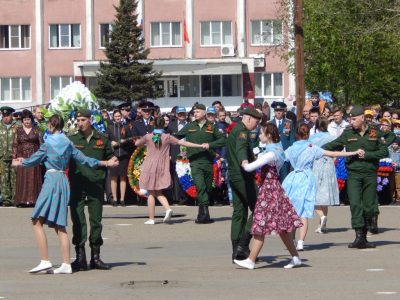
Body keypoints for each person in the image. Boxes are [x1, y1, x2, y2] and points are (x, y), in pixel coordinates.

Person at [12, 114, 118, 274]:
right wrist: (105, 162)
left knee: (36, 220)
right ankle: (66, 263)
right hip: (63, 180)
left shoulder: (48, 144)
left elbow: (33, 160)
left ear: (51, 126)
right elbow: (85, 159)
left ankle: (45, 260)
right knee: (60, 225)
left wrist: (20, 162)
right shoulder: (68, 143)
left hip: (51, 180)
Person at [322, 105, 395, 249]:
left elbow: (383, 152)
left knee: (369, 205)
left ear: (362, 118)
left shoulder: (375, 132)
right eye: (350, 118)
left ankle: (370, 225)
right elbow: (335, 144)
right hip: (354, 174)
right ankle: (359, 237)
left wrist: (367, 155)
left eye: (354, 118)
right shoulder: (348, 133)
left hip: (369, 173)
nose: (351, 121)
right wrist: (317, 148)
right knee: (355, 204)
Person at [233, 123, 303, 269]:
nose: (259, 135)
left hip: (269, 191)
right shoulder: (277, 148)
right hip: (275, 189)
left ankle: (251, 260)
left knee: (260, 224)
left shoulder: (271, 153)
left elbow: (249, 168)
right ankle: (295, 257)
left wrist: (243, 159)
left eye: (261, 133)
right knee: (282, 228)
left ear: (269, 135)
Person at [282, 123, 362, 251]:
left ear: (296, 134)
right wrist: (353, 152)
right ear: (307, 134)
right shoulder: (311, 148)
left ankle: (291, 240)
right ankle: (301, 241)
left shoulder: (291, 148)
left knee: (292, 210)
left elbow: (279, 159)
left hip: (292, 179)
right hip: (306, 178)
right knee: (303, 211)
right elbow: (333, 153)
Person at [68, 109, 117, 272]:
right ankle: (80, 257)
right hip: (77, 184)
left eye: (82, 120)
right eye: (78, 120)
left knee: (96, 221)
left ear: (90, 120)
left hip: (95, 184)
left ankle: (95, 257)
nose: (79, 123)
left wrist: (114, 160)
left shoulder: (102, 139)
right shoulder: (72, 139)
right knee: (78, 221)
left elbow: (111, 156)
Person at [135, 117, 207, 224]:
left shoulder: (148, 136)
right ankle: (168, 208)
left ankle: (151, 218)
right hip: (161, 166)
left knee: (150, 192)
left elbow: (137, 144)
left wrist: (143, 141)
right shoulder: (167, 137)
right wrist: (200, 145)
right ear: (164, 125)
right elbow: (184, 143)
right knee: (158, 191)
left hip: (149, 165)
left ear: (154, 124)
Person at [175, 103, 226, 224]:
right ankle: (205, 214)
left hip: (208, 162)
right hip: (195, 161)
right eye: (194, 112)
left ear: (204, 113)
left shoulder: (211, 126)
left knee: (208, 188)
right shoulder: (189, 126)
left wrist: (210, 145)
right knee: (200, 186)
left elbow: (223, 140)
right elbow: (176, 136)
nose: (195, 113)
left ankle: (201, 211)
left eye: (197, 111)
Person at [226, 107, 262, 261]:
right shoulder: (242, 131)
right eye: (256, 122)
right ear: (248, 119)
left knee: (239, 211)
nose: (256, 125)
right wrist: (245, 162)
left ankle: (237, 251)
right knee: (259, 208)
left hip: (234, 175)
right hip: (242, 176)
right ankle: (243, 244)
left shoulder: (235, 129)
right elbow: (241, 148)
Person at [309, 118, 338, 233]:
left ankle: (321, 217)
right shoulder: (331, 137)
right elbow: (337, 149)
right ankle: (323, 224)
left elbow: (309, 152)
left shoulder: (312, 138)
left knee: (314, 194)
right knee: (325, 195)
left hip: (317, 165)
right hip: (329, 165)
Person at [12, 110, 43, 207]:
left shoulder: (37, 130)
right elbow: (15, 145)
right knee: (23, 178)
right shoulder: (18, 130)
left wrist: (41, 158)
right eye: (25, 120)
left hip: (34, 158)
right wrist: (14, 158)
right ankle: (22, 201)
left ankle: (34, 200)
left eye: (28, 119)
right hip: (22, 158)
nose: (27, 121)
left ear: (31, 120)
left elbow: (42, 144)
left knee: (33, 178)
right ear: (22, 120)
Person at [106, 109, 133, 206]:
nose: (117, 118)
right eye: (116, 116)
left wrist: (124, 141)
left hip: (124, 155)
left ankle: (122, 199)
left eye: (119, 116)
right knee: (113, 178)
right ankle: (115, 199)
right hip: (114, 155)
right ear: (113, 117)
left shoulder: (125, 127)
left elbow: (131, 139)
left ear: (121, 117)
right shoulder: (109, 127)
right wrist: (111, 143)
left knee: (123, 178)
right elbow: (106, 140)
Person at [167, 107, 189, 205]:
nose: (181, 116)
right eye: (179, 114)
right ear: (176, 115)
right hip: (175, 153)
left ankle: (185, 197)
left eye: (183, 114)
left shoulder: (190, 125)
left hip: (187, 153)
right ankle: (176, 197)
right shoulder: (170, 125)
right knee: (175, 177)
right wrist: (169, 154)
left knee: (185, 176)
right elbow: (167, 141)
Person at [269, 101, 295, 180]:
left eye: (280, 110)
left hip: (285, 157)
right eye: (277, 110)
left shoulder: (288, 123)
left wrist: (291, 154)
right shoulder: (270, 124)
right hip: (273, 157)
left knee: (284, 180)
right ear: (274, 111)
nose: (279, 112)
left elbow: (291, 140)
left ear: (284, 111)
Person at [0, 106, 17, 206]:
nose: (6, 118)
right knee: (3, 179)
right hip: (2, 157)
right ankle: (6, 199)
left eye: (8, 116)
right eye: (4, 116)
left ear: (11, 115)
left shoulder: (17, 126)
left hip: (14, 156)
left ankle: (15, 198)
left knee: (14, 178)